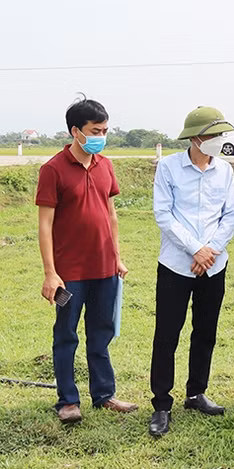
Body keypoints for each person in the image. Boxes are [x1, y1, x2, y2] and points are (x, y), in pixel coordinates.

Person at [35, 96, 137, 424]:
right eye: (96, 130)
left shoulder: (105, 164)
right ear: (75, 131)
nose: (101, 136)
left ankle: (104, 394)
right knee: (66, 333)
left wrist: (117, 257)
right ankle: (67, 401)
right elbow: (45, 224)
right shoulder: (53, 169)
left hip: (104, 269)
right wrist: (51, 273)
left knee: (101, 331)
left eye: (106, 130)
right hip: (70, 273)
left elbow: (111, 215)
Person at [147, 106, 234, 437]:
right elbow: (163, 214)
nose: (218, 141)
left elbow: (230, 215)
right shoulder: (170, 167)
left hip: (214, 265)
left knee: (205, 332)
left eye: (221, 136)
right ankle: (161, 404)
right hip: (175, 264)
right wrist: (195, 249)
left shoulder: (225, 171)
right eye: (214, 135)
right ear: (197, 137)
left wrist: (209, 250)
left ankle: (196, 392)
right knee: (167, 334)